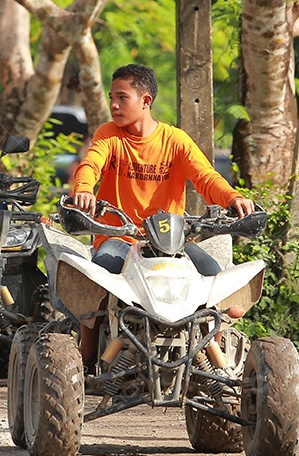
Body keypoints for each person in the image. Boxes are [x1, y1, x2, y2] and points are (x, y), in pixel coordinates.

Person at [70, 64, 255, 364]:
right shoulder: (109, 135)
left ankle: (215, 359)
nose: (114, 105)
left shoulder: (174, 140)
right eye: (111, 97)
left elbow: (206, 177)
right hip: (119, 237)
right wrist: (84, 189)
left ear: (146, 101)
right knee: (98, 279)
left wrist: (232, 197)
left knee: (215, 282)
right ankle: (87, 357)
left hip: (171, 242)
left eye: (122, 97)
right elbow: (90, 164)